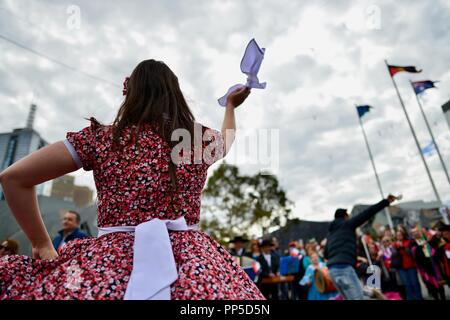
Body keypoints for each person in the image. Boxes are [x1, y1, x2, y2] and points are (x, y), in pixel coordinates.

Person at [0, 59, 264, 300]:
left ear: (131, 93)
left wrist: (41, 243)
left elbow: (14, 178)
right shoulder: (198, 141)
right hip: (194, 263)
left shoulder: (100, 138)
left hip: (106, 262)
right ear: (175, 95)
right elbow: (227, 139)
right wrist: (230, 106)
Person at [324, 195, 398, 300]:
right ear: (345, 216)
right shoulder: (348, 224)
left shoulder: (331, 233)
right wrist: (386, 201)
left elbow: (326, 254)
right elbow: (367, 213)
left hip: (332, 271)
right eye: (348, 215)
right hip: (344, 268)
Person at [392, 228, 423, 300]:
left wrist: (402, 247)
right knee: (407, 285)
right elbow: (393, 256)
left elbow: (411, 253)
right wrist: (397, 248)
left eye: (400, 235)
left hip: (411, 266)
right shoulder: (394, 244)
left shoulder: (409, 242)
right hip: (401, 267)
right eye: (397, 235)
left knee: (414, 283)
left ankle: (419, 297)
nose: (399, 237)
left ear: (403, 235)